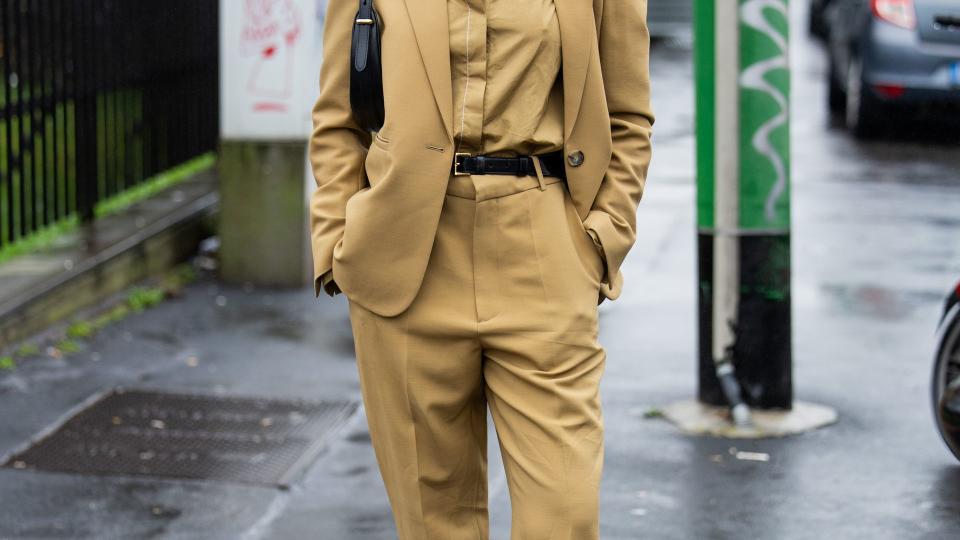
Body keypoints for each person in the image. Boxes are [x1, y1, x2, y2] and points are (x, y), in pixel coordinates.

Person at [308, 0, 654, 538]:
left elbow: (628, 115)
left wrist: (604, 235)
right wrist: (335, 244)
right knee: (432, 520)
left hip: (543, 245)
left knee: (564, 516)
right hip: (404, 255)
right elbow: (338, 117)